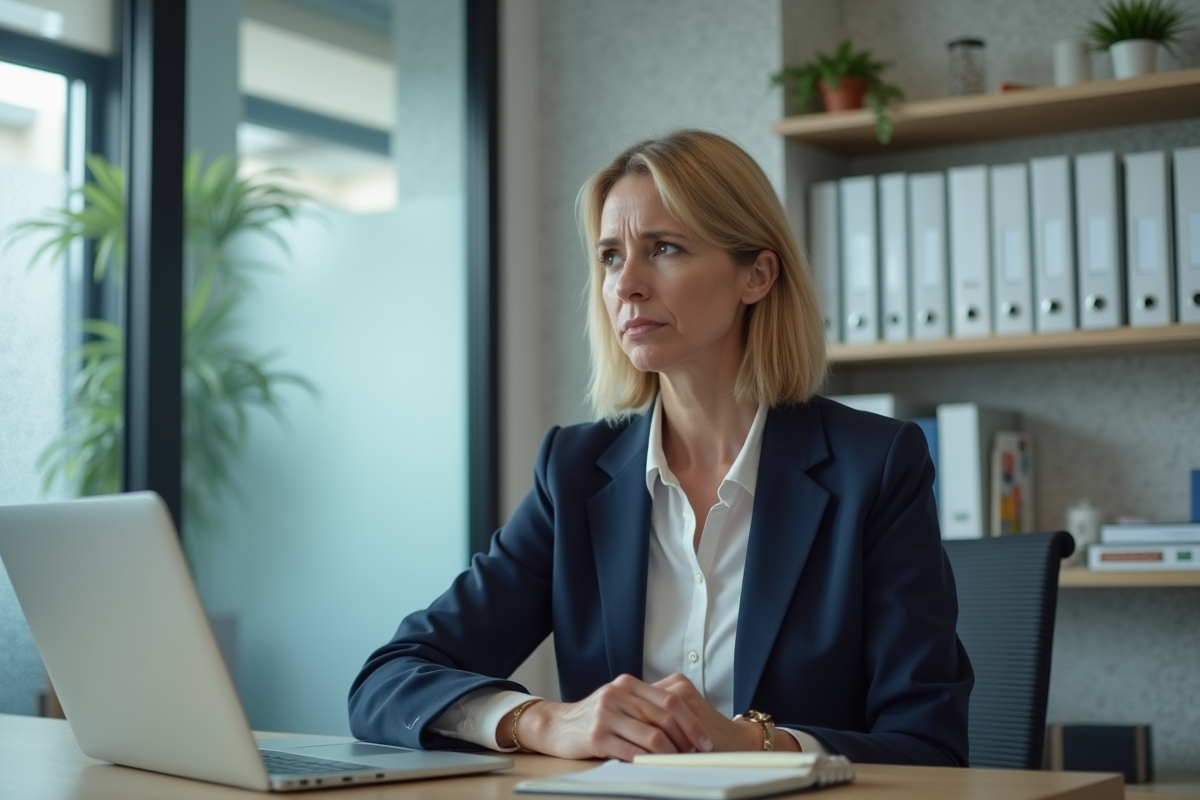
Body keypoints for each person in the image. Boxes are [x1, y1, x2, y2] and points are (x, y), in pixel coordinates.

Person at [348, 130, 972, 766]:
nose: (627, 285)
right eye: (612, 257)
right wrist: (540, 721)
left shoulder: (878, 465)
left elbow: (929, 744)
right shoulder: (573, 474)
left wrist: (758, 744)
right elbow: (389, 682)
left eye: (664, 249)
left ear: (756, 274)